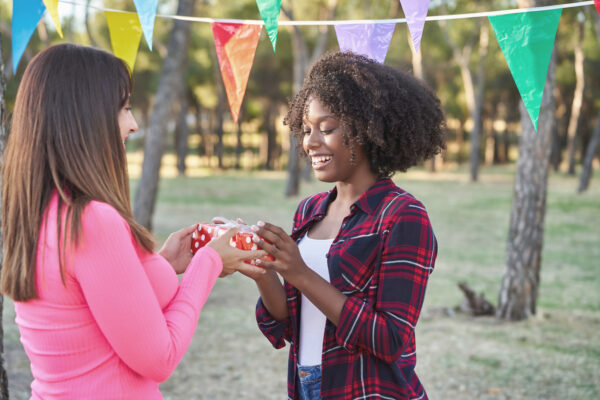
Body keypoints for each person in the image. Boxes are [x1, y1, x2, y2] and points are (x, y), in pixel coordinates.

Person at [0, 43, 266, 399]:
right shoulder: (92, 220)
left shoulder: (40, 211)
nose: (134, 124)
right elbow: (160, 358)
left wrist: (167, 263)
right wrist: (210, 262)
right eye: (124, 108)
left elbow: (99, 307)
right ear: (86, 116)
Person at [247, 51, 446, 399]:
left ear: (367, 130)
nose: (310, 142)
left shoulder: (402, 215)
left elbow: (390, 338)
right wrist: (264, 268)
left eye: (327, 129)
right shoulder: (309, 211)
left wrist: (300, 274)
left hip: (367, 390)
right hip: (307, 384)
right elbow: (291, 322)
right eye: (306, 129)